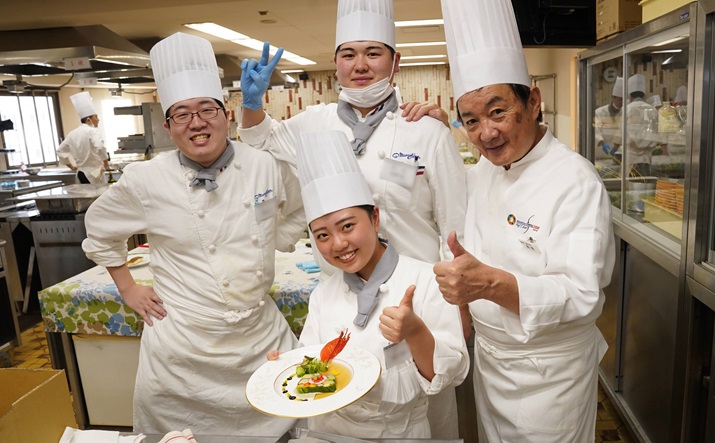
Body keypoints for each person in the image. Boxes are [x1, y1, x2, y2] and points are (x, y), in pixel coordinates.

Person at [238, 0, 467, 437]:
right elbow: (258, 137)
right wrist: (251, 102)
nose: (360, 65)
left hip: (418, 290)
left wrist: (458, 304)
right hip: (340, 291)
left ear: (395, 61)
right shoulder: (314, 122)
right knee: (340, 392)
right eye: (348, 54)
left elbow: (454, 226)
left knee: (426, 404)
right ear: (336, 63)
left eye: (373, 52)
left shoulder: (425, 128)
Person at [81, 32, 305, 436]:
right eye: (182, 114)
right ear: (168, 127)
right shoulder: (146, 180)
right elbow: (99, 231)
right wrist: (128, 288)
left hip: (259, 338)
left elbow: (296, 211)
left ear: (225, 114)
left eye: (206, 109)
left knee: (285, 426)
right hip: (183, 350)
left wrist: (270, 244)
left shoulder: (263, 164)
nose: (196, 123)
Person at [435, 0, 616, 441]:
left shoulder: (575, 180)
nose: (486, 134)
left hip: (550, 374)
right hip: (493, 362)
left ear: (532, 101)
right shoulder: (484, 170)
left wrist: (490, 285)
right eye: (471, 120)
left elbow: (582, 294)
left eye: (498, 112)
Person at [269, 130, 468, 438]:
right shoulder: (323, 294)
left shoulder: (425, 279)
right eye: (322, 235)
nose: (338, 244)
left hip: (399, 434)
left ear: (375, 218)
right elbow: (313, 365)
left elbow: (448, 375)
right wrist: (288, 367)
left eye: (347, 226)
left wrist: (415, 332)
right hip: (330, 431)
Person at [57, 91, 108, 184]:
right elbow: (100, 146)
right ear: (89, 119)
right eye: (96, 117)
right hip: (94, 174)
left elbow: (60, 150)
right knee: (97, 198)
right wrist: (105, 163)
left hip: (80, 174)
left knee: (84, 197)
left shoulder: (72, 134)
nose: (98, 119)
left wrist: (72, 167)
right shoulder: (92, 131)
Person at [623, 74, 658, 176]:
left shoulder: (626, 109)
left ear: (630, 96)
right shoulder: (652, 109)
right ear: (644, 95)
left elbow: (621, 134)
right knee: (645, 187)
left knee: (629, 188)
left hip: (630, 158)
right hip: (645, 158)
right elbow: (656, 134)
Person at [594, 76, 624, 158]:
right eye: (620, 99)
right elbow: (596, 132)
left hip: (618, 151)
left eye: (624, 99)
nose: (622, 102)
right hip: (602, 151)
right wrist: (602, 143)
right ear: (613, 97)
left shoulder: (625, 112)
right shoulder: (599, 112)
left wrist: (616, 147)